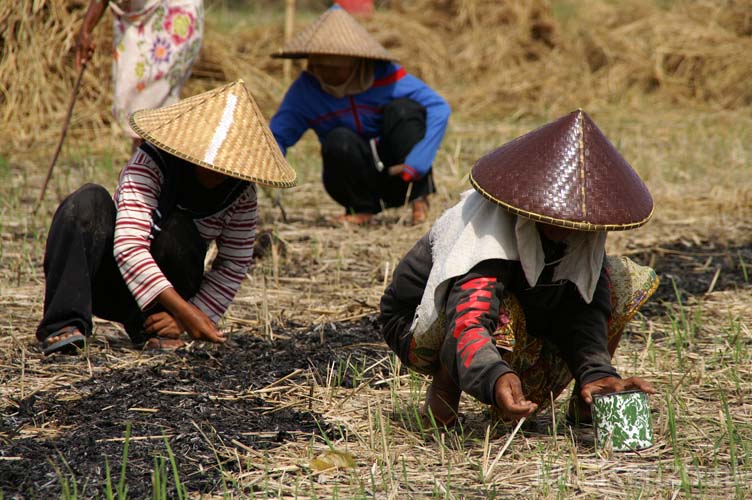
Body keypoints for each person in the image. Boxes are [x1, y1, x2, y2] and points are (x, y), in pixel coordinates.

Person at [379, 110, 659, 427]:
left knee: (623, 280)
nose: (566, 225)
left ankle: (588, 399)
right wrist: (494, 375)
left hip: (524, 305)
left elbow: (584, 308)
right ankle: (443, 397)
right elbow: (468, 319)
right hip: (423, 323)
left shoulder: (583, 235)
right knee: (501, 311)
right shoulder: (487, 235)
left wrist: (596, 372)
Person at [36, 80, 296, 355]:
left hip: (166, 294)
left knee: (179, 230)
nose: (215, 170)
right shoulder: (151, 162)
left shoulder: (241, 194)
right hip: (109, 279)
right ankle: (64, 324)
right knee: (86, 203)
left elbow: (233, 263)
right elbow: (128, 246)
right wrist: (187, 314)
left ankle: (154, 329)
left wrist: (188, 316)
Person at [269, 5, 451, 225]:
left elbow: (438, 107)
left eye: (336, 69)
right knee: (339, 139)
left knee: (404, 110)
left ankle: (418, 199)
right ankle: (361, 209)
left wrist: (419, 159)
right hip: (352, 177)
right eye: (321, 67)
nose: (327, 74)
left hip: (400, 173)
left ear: (356, 62)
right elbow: (277, 136)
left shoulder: (387, 77)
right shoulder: (306, 91)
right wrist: (268, 170)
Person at [75, 0, 204, 153]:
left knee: (151, 111)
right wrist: (86, 30)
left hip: (174, 16)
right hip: (134, 18)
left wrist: (86, 29)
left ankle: (146, 169)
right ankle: (145, 167)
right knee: (133, 99)